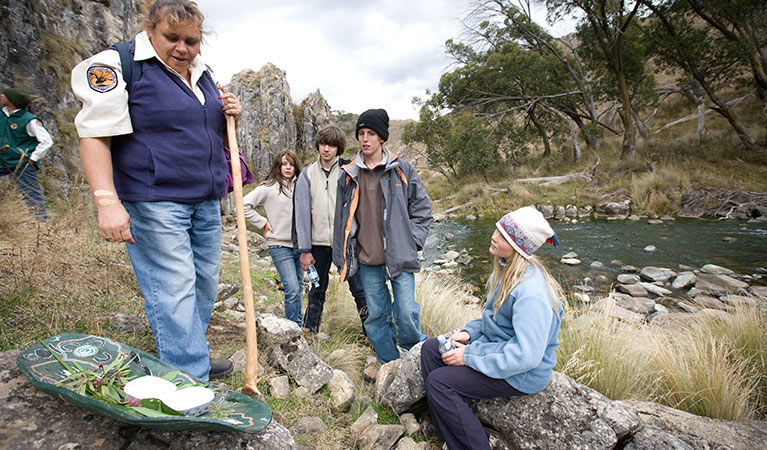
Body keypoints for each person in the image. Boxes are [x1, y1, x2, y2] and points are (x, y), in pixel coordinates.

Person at [71, 0, 240, 381]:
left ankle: (187, 353)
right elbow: (94, 136)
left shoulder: (203, 74)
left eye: (191, 41)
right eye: (172, 37)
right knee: (174, 288)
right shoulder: (117, 64)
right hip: (154, 201)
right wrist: (106, 202)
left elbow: (204, 132)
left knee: (202, 286)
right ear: (150, 28)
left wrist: (231, 114)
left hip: (205, 201)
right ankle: (187, 376)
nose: (182, 48)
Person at [420, 206, 564, 450]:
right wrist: (469, 333)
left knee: (440, 382)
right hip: (499, 352)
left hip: (523, 374)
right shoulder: (505, 271)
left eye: (503, 235)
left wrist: (469, 356)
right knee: (431, 348)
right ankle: (449, 434)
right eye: (497, 229)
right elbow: (492, 321)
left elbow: (526, 356)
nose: (494, 236)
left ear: (518, 246)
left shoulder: (532, 294)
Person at [333, 108, 432, 363]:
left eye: (371, 133)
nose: (365, 139)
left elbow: (423, 210)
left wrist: (414, 241)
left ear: (382, 138)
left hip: (400, 257)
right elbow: (340, 221)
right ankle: (390, 363)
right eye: (361, 133)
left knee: (407, 312)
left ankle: (415, 361)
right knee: (376, 316)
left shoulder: (403, 170)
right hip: (367, 260)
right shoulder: (348, 174)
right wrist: (341, 256)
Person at [293, 126, 368, 335]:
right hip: (317, 245)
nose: (327, 149)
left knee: (360, 290)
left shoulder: (349, 171)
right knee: (316, 290)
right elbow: (301, 214)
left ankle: (373, 335)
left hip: (345, 243)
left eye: (332, 145)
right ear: (318, 145)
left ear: (338, 148)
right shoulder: (307, 174)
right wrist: (305, 249)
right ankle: (309, 333)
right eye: (323, 144)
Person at [243, 151, 304, 326]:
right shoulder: (268, 187)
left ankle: (296, 324)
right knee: (291, 287)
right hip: (279, 244)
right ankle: (294, 327)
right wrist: (262, 222)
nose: (288, 167)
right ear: (278, 166)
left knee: (299, 287)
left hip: (300, 245)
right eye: (284, 164)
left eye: (291, 164)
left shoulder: (301, 185)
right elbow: (244, 204)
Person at [1, 88, 53, 220]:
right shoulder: (2, 115)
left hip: (23, 162)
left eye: (5, 95)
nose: (1, 95)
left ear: (12, 101)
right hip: (3, 159)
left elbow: (46, 141)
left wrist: (32, 158)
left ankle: (40, 223)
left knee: (31, 193)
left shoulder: (29, 120)